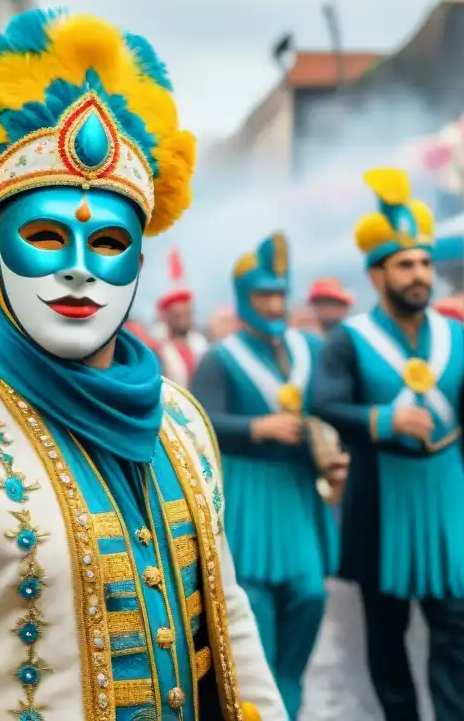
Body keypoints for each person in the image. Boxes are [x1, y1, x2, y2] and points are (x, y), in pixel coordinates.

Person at [0, 9, 284, 721]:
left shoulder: (183, 422)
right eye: (44, 236)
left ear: (138, 266)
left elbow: (227, 619)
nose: (76, 270)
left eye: (106, 243)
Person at [311, 167, 464, 721]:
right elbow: (322, 403)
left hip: (448, 494)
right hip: (380, 499)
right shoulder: (349, 339)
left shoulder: (457, 335)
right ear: (377, 275)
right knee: (386, 629)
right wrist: (382, 420)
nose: (419, 274)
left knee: (453, 626)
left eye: (424, 262)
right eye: (405, 264)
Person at [191, 231, 344, 718]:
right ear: (244, 298)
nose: (274, 305)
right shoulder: (220, 357)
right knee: (251, 617)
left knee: (310, 596)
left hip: (298, 493)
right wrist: (257, 427)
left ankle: (289, 701)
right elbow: (199, 419)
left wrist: (331, 448)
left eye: (279, 294)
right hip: (247, 494)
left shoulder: (310, 349)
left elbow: (331, 409)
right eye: (263, 295)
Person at [156, 252, 209, 388]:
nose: (183, 320)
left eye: (187, 314)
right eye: (177, 315)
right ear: (166, 317)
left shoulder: (201, 345)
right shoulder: (158, 348)